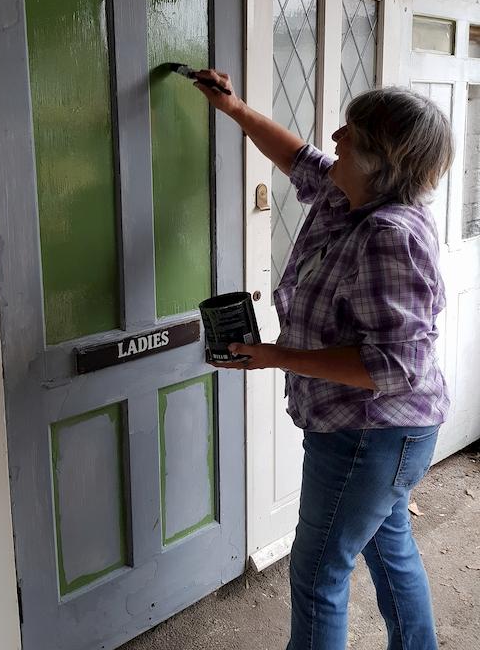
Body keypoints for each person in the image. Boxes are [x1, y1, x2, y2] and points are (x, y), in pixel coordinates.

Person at [194, 70, 454, 650]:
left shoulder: (390, 234)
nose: (334, 137)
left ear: (380, 158)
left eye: (352, 132)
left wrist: (274, 357)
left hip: (374, 432)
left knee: (317, 573)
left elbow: (393, 366)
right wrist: (233, 107)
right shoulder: (346, 193)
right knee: (389, 550)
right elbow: (299, 156)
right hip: (366, 429)